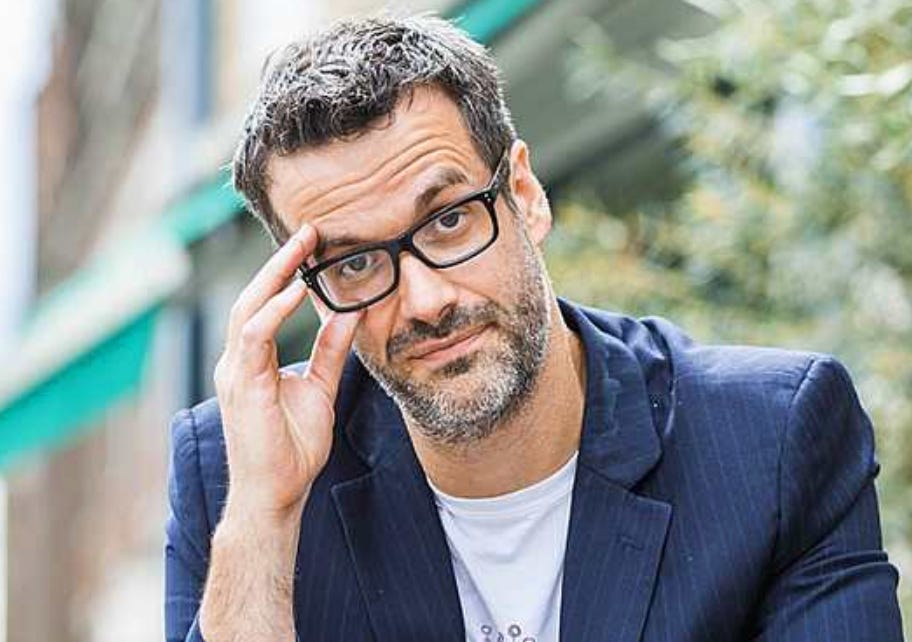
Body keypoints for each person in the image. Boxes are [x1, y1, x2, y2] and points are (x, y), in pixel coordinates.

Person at [164, 14, 904, 642]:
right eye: (355, 263)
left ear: (524, 194)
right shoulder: (238, 475)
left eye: (449, 221)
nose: (424, 300)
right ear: (312, 291)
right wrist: (263, 514)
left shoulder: (768, 439)